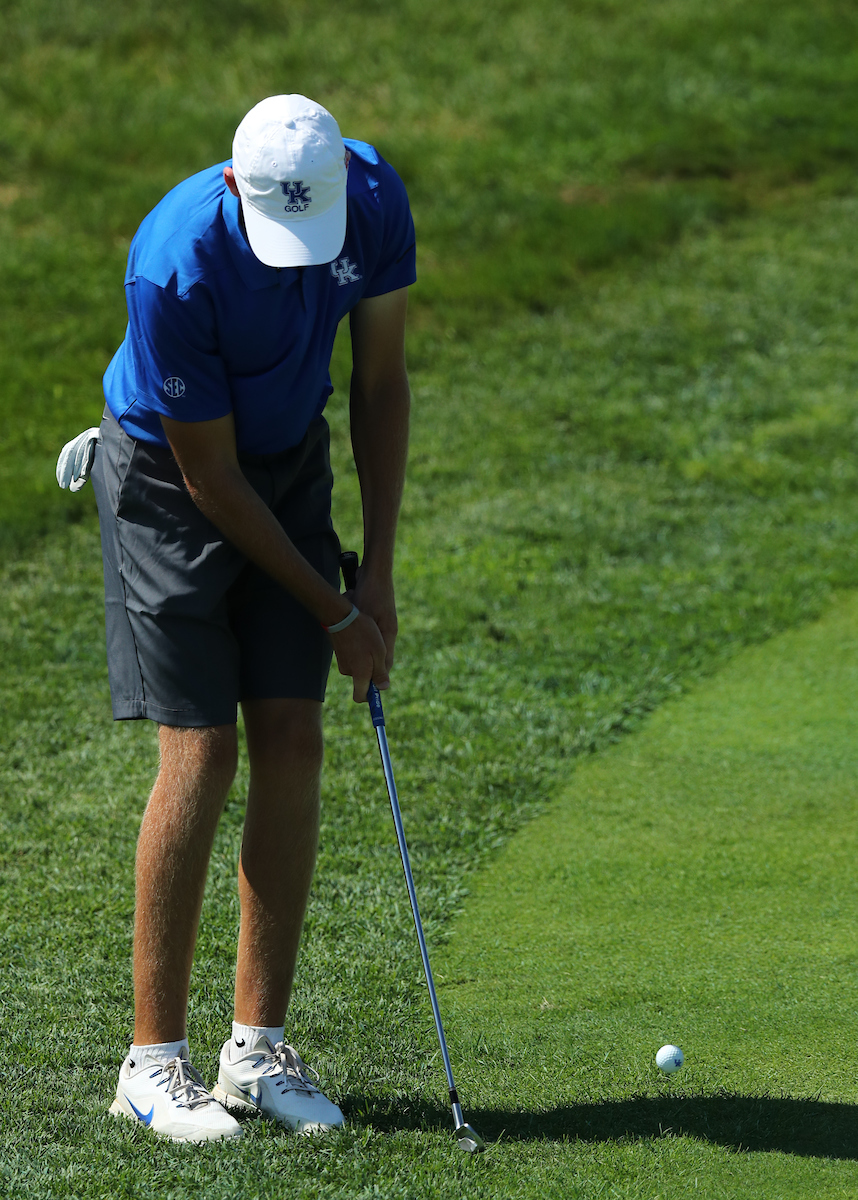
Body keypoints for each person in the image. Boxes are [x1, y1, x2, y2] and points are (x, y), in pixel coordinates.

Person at [56, 94, 415, 1142]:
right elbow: (210, 476)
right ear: (233, 188)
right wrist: (336, 608)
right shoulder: (175, 261)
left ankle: (255, 1054)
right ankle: (151, 1063)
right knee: (203, 748)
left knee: (295, 736)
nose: (302, 262)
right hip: (172, 476)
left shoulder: (376, 198)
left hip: (288, 460)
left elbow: (381, 379)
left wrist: (377, 575)